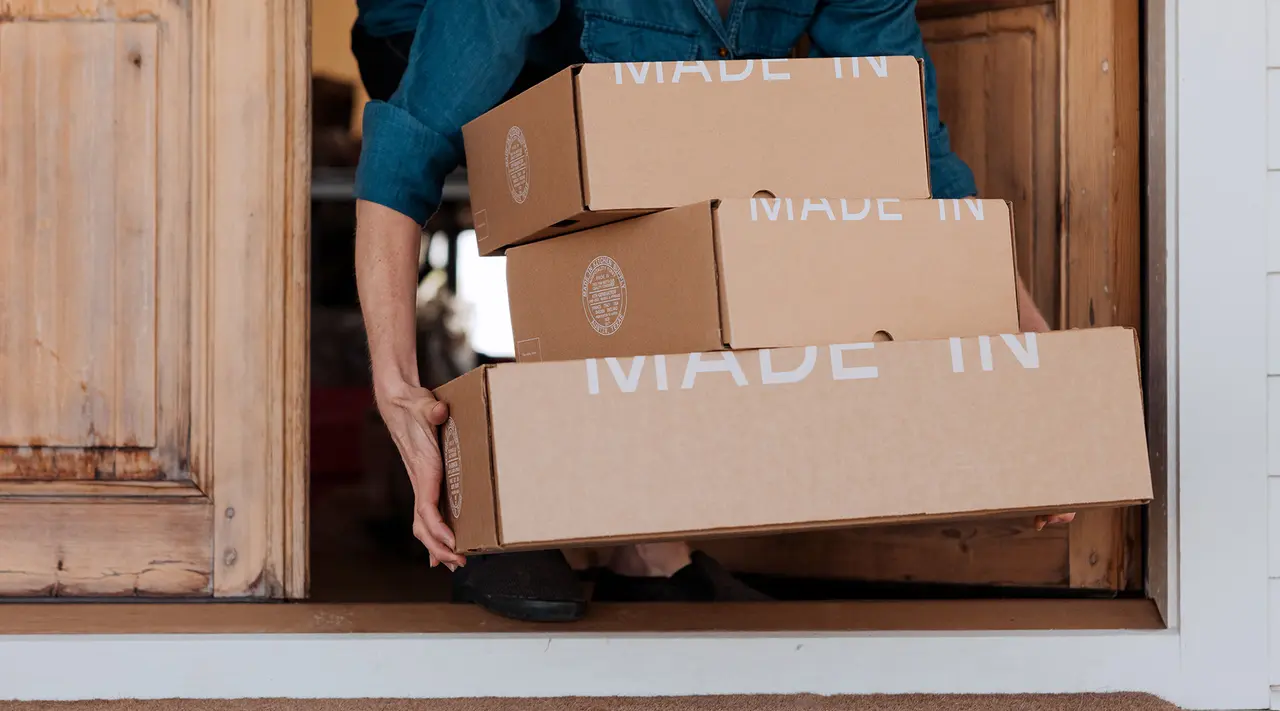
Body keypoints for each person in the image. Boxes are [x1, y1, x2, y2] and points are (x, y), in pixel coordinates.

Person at [350, 0, 1074, 623]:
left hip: (636, 86)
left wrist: (1027, 345)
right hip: (425, 37)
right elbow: (409, 147)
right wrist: (397, 389)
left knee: (699, 150)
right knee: (564, 159)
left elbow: (916, 153)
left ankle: (648, 546)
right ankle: (505, 501)